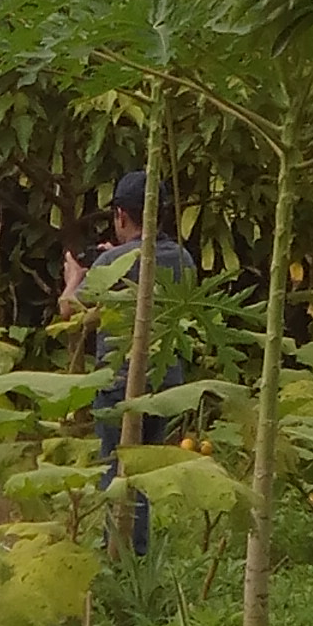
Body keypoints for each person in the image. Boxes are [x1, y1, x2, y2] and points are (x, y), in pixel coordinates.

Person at [62, 168, 195, 559]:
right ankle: (136, 556)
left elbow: (71, 310)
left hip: (120, 382)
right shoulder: (183, 257)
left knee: (117, 472)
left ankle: (123, 557)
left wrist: (75, 277)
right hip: (166, 382)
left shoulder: (113, 261)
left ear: (120, 215)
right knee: (142, 473)